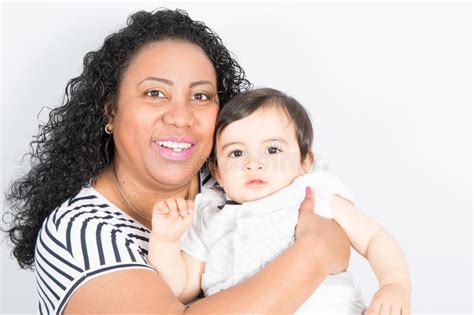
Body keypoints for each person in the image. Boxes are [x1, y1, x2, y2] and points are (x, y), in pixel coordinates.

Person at [3, 9, 351, 314]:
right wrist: (314, 253)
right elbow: (323, 243)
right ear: (111, 110)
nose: (181, 116)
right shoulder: (78, 233)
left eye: (200, 96)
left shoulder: (234, 178)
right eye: (155, 93)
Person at [148, 88, 412, 314]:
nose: (253, 163)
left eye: (273, 150)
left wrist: (394, 284)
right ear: (217, 172)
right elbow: (181, 289)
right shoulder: (211, 218)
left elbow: (375, 239)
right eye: (237, 152)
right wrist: (166, 242)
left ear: (305, 162)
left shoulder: (312, 194)